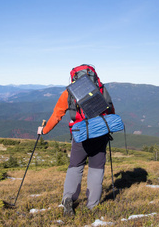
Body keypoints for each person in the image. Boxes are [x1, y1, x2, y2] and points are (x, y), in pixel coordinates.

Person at [37, 64, 115, 216]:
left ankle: (68, 198)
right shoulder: (101, 89)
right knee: (96, 168)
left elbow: (57, 115)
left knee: (75, 166)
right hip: (99, 134)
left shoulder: (69, 93)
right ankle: (92, 205)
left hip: (80, 135)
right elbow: (111, 110)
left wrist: (44, 130)